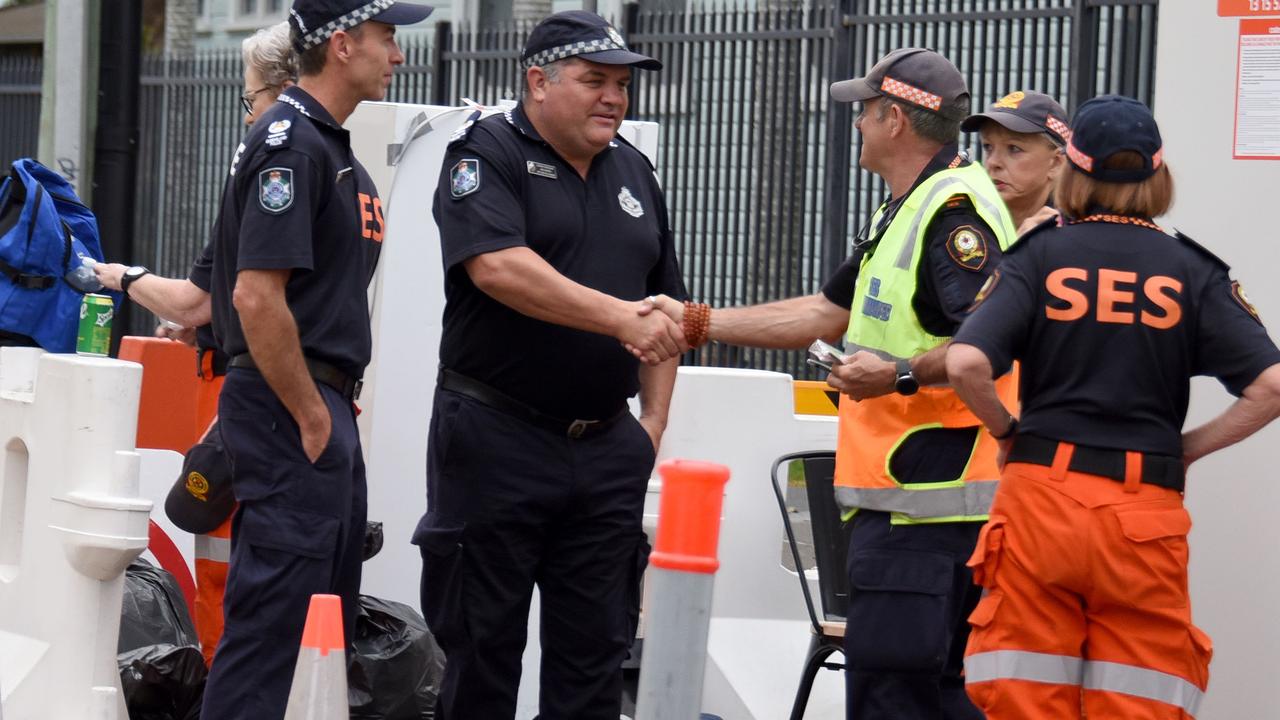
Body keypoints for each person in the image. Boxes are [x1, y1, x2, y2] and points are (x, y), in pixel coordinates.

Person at [643, 48, 1017, 719]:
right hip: (908, 509)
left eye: (865, 112)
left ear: (896, 119)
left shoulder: (952, 216)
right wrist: (697, 321)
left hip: (929, 511)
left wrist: (895, 376)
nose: (856, 126)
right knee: (913, 693)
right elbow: (824, 312)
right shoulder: (908, 206)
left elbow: (989, 347)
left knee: (896, 700)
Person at [946, 95, 1280, 719]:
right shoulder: (1192, 269)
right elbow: (1271, 387)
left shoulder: (1037, 256)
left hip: (1040, 498)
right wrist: (1187, 448)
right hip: (1143, 510)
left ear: (1069, 171)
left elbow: (966, 364)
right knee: (1138, 696)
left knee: (1025, 689)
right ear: (1157, 177)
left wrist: (1007, 431)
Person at [413, 11, 687, 719]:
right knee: (481, 656)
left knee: (595, 660)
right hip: (497, 441)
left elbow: (665, 309)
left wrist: (652, 422)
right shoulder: (488, 151)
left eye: (622, 86)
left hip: (605, 451)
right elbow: (499, 267)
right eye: (595, 81)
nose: (614, 99)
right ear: (538, 81)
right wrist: (618, 316)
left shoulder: (635, 169)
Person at [198, 1, 432, 718]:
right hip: (289, 409)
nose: (397, 55)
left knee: (318, 625)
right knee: (271, 631)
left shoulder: (328, 147)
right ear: (341, 43)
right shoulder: (291, 142)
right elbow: (255, 297)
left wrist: (326, 409)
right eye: (388, 38)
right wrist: (308, 411)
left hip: (318, 405)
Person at [94, 21, 297, 667]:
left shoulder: (278, 169)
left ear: (283, 91)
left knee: (229, 580)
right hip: (263, 395)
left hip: (249, 403)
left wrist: (123, 278)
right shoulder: (326, 167)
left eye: (252, 99)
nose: (248, 118)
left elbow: (205, 297)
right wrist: (205, 326)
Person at [960, 90, 1069, 234]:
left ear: (1055, 163)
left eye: (1014, 148)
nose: (993, 162)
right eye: (988, 147)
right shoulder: (962, 219)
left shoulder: (1073, 233)